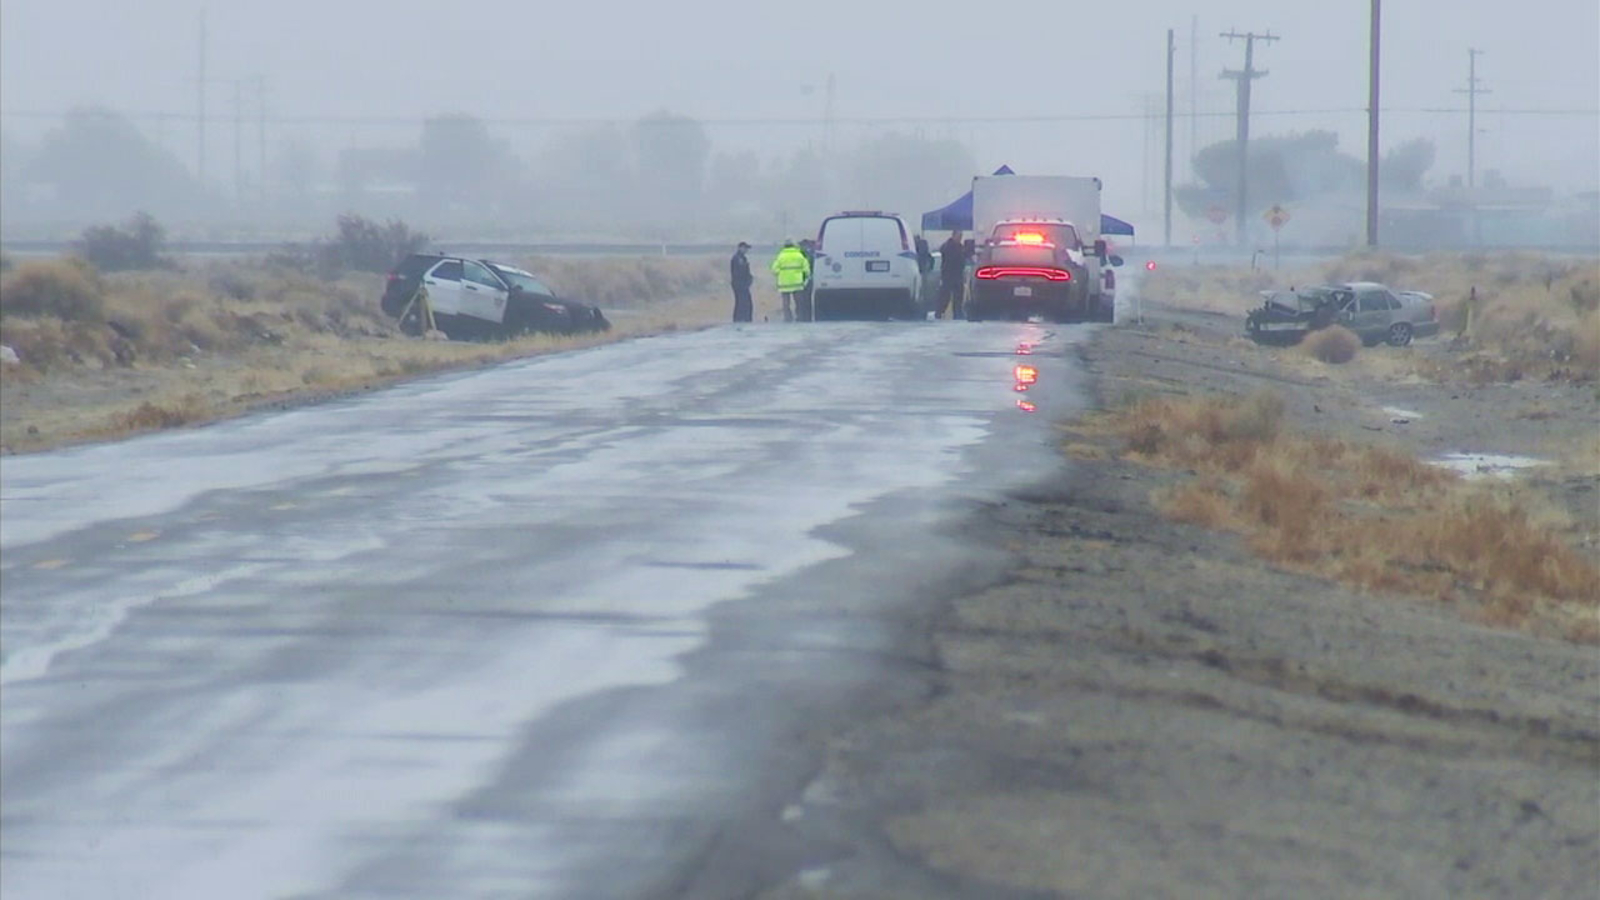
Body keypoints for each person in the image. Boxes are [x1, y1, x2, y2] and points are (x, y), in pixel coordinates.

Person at [770, 239, 810, 323]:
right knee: (799, 302)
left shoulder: (781, 256)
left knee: (786, 303)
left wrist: (782, 274)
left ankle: (788, 318)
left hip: (784, 284)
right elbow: (806, 270)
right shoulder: (799, 255)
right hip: (797, 283)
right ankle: (799, 317)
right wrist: (805, 277)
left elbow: (774, 270)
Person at [936, 231, 968, 320]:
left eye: (961, 237)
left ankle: (957, 313)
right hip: (948, 275)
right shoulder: (947, 246)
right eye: (958, 236)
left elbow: (963, 260)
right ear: (953, 236)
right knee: (945, 296)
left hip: (958, 275)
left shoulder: (960, 247)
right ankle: (939, 312)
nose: (959, 238)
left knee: (958, 296)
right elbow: (948, 259)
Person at [730, 241, 754, 322]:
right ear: (740, 248)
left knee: (745, 302)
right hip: (739, 284)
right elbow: (739, 272)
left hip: (743, 284)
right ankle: (739, 319)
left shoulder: (743, 258)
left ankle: (744, 318)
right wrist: (746, 280)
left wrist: (749, 278)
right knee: (742, 302)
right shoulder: (737, 258)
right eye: (745, 248)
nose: (746, 250)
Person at [796, 238, 817, 322]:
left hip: (804, 278)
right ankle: (805, 317)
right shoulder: (810, 254)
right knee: (804, 299)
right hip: (804, 278)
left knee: (803, 299)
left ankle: (804, 317)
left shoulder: (806, 255)